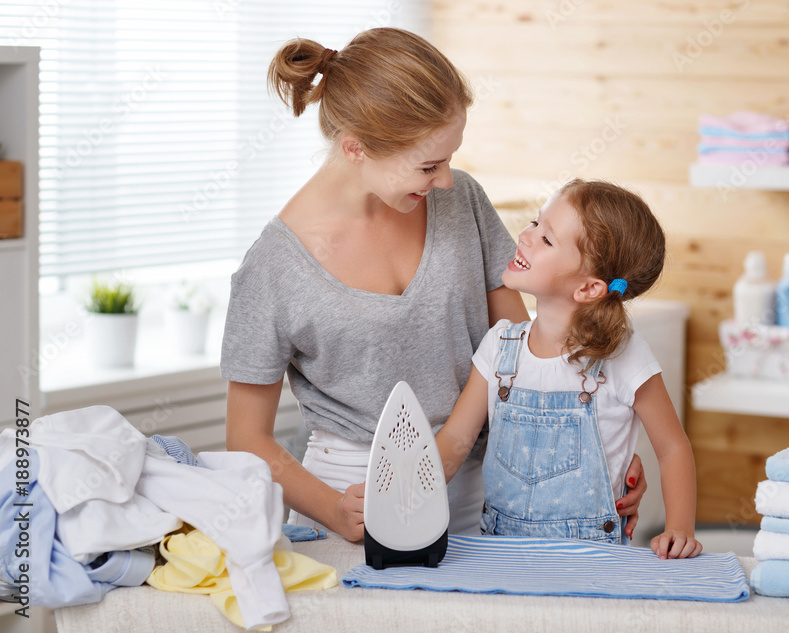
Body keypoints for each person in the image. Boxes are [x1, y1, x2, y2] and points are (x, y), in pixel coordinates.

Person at [221, 27, 648, 543]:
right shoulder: (272, 269)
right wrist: (335, 510)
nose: (445, 179)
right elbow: (246, 439)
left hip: (494, 487)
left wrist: (596, 454)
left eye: (449, 157)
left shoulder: (459, 200)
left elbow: (528, 357)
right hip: (350, 497)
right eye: (428, 165)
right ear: (355, 148)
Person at [436, 179, 702, 559]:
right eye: (534, 223)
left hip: (593, 561)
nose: (526, 236)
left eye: (547, 240)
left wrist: (679, 529)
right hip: (500, 556)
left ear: (589, 289)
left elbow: (673, 447)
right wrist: (403, 494)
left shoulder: (624, 355)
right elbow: (455, 442)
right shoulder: (499, 346)